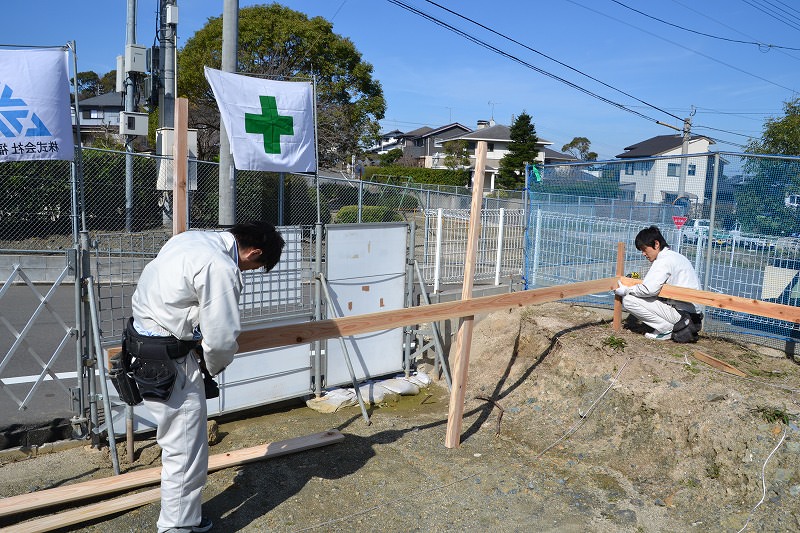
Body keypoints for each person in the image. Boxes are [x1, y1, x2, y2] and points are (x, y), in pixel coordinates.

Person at [128, 221, 285, 533]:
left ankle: (185, 516)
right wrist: (211, 368)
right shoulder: (221, 267)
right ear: (253, 252)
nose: (250, 271)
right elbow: (223, 338)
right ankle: (176, 526)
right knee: (184, 449)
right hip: (170, 360)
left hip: (142, 343)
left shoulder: (190, 239)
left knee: (179, 443)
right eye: (256, 266)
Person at [614, 225, 702, 341]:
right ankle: (670, 327)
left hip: (684, 315)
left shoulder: (663, 261)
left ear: (656, 244)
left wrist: (627, 290)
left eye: (644, 249)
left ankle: (667, 329)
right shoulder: (675, 256)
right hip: (693, 315)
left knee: (629, 300)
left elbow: (649, 289)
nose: (643, 254)